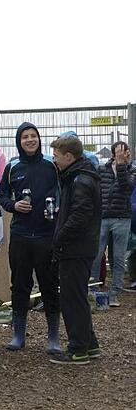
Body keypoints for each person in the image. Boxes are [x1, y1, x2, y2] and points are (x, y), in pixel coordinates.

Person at [0, 122, 61, 354]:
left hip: (46, 234)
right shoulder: (13, 166)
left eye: (33, 136)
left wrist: (57, 210)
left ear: (39, 139)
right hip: (22, 235)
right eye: (25, 137)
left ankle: (53, 337)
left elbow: (62, 193)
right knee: (20, 285)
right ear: (19, 141)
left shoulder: (51, 166)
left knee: (50, 285)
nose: (30, 140)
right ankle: (18, 334)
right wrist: (13, 205)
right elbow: (0, 194)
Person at [49, 134, 102, 365]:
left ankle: (77, 349)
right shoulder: (80, 176)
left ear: (69, 156)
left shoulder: (80, 179)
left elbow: (80, 215)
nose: (55, 160)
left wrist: (60, 237)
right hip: (81, 246)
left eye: (57, 156)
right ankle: (90, 344)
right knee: (77, 296)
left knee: (72, 299)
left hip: (76, 248)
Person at [92, 141, 134, 307]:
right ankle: (93, 288)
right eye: (119, 152)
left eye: (125, 152)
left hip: (122, 218)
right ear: (113, 153)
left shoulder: (132, 170)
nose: (123, 155)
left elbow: (126, 187)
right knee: (96, 255)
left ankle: (115, 292)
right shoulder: (102, 169)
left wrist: (122, 165)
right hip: (102, 217)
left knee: (118, 257)